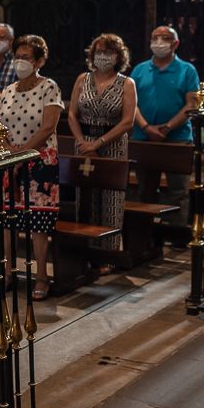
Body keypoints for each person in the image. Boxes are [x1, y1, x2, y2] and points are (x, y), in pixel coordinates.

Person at [0, 35, 63, 301]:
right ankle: (8, 272)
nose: (20, 62)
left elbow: (48, 127)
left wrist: (23, 154)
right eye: (18, 57)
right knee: (8, 219)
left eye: (26, 57)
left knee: (38, 221)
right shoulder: (9, 90)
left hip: (40, 161)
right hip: (11, 160)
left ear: (40, 61)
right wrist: (11, 151)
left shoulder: (49, 87)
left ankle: (42, 277)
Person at [67, 34, 137, 260]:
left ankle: (108, 254)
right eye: (99, 52)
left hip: (113, 145)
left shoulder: (126, 83)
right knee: (85, 197)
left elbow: (128, 121)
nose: (103, 57)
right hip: (84, 143)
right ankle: (85, 250)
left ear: (118, 56)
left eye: (108, 52)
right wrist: (82, 142)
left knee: (111, 199)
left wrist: (98, 143)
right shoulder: (82, 79)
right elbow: (71, 114)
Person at [130, 25, 200, 232]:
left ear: (175, 43)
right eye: (155, 38)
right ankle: (145, 235)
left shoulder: (187, 70)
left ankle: (176, 234)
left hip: (177, 138)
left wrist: (167, 128)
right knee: (145, 190)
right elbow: (131, 103)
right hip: (144, 137)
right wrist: (146, 127)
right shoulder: (140, 69)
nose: (159, 42)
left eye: (165, 38)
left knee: (178, 190)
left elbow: (191, 104)